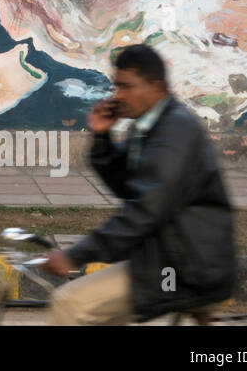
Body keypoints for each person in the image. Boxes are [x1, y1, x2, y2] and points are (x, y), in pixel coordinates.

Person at [41, 44, 235, 324]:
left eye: (126, 87)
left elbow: (146, 211)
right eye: (116, 86)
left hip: (182, 271)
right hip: (169, 256)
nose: (117, 96)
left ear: (155, 86)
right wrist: (102, 137)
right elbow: (127, 187)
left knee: (69, 303)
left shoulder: (174, 131)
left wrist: (75, 255)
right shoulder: (151, 126)